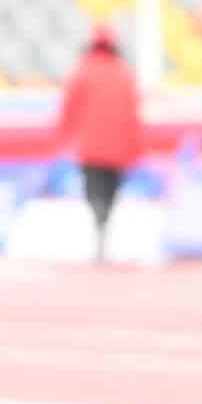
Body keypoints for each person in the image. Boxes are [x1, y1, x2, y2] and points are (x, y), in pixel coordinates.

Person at [57, 24, 143, 264]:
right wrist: (135, 148)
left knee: (94, 190)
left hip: (91, 148)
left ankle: (99, 221)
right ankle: (103, 223)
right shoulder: (125, 73)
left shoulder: (82, 71)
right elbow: (133, 114)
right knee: (110, 191)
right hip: (117, 149)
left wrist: (62, 138)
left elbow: (68, 110)